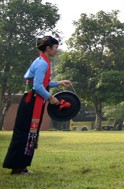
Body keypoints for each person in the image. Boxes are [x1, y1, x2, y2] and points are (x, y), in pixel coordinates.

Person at [3, 36, 72, 175]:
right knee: (25, 134)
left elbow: (43, 83)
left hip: (33, 101)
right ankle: (17, 166)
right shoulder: (42, 64)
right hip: (31, 102)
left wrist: (59, 83)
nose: (57, 51)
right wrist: (50, 97)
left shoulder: (41, 61)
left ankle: (22, 166)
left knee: (30, 133)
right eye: (56, 48)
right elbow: (38, 86)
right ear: (48, 48)